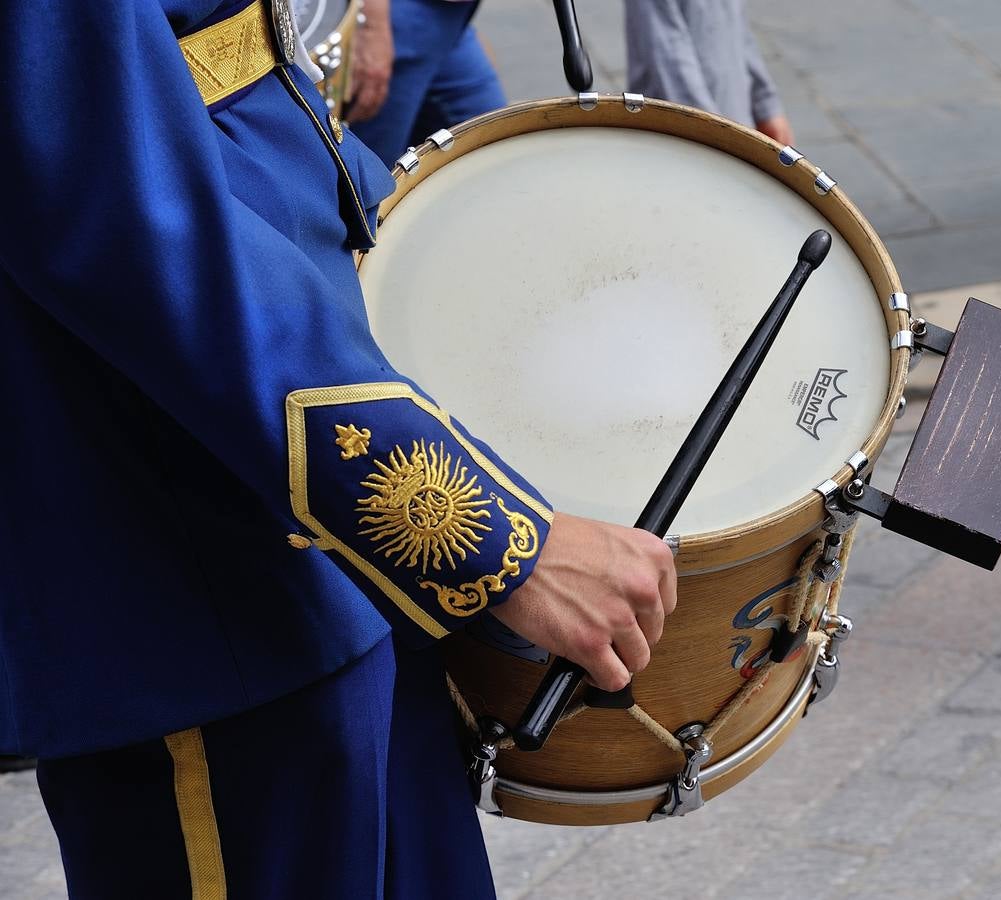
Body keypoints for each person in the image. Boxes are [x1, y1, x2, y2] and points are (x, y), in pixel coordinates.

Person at [0, 2, 673, 897]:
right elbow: (119, 210)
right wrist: (490, 538)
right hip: (176, 526)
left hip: (301, 468)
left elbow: (226, 67)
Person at [346, 0, 508, 167]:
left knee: (497, 149)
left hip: (451, 20)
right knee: (376, 174)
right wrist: (370, 26)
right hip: (398, 20)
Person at [625, 0, 795, 145]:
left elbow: (736, 25)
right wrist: (714, 131)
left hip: (733, 121)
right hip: (681, 133)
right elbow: (670, 57)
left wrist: (766, 106)